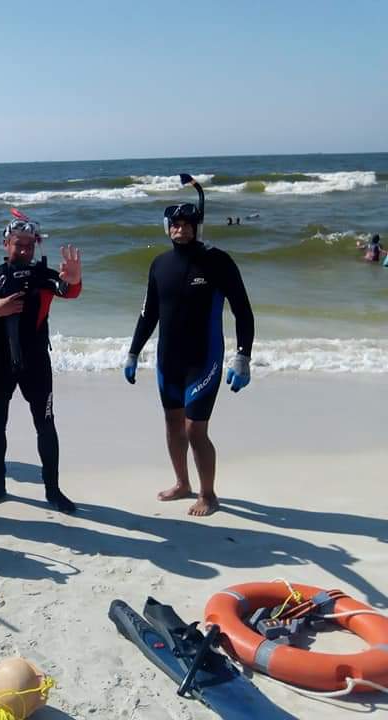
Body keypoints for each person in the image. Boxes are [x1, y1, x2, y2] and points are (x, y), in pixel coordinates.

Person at [124, 192, 254, 516]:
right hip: (168, 359)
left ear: (197, 227)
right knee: (172, 424)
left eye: (187, 224)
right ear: (167, 227)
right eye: (175, 224)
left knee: (195, 429)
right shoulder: (159, 265)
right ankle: (182, 483)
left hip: (203, 359)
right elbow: (148, 313)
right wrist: (133, 352)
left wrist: (243, 356)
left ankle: (208, 495)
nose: (180, 230)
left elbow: (243, 311)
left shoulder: (217, 261)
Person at [0, 211, 83, 513]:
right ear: (5, 244)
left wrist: (74, 280)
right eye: (18, 244)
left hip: (36, 364)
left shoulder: (42, 276)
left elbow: (68, 290)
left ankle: (53, 490)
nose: (23, 251)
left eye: (29, 246)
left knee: (45, 424)